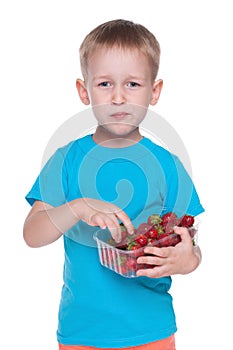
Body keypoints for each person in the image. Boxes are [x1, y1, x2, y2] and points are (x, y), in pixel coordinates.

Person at [23, 19, 204, 350]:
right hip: (81, 332)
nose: (119, 97)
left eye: (133, 84)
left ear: (155, 91)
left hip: (152, 331)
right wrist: (77, 207)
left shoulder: (168, 166)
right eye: (105, 84)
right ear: (84, 90)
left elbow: (189, 245)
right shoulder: (66, 160)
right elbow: (32, 235)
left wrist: (187, 261)